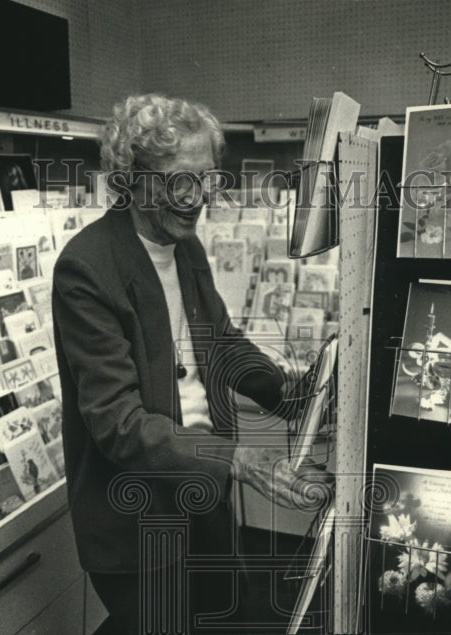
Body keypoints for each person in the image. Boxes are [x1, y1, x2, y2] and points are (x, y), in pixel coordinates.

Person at [53, 94, 329, 634]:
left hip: (204, 497)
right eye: (182, 180)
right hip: (139, 525)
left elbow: (221, 343)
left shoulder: (187, 250)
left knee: (227, 615)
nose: (199, 197)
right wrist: (240, 460)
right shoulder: (87, 268)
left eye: (208, 179)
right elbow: (120, 425)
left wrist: (297, 396)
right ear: (133, 178)